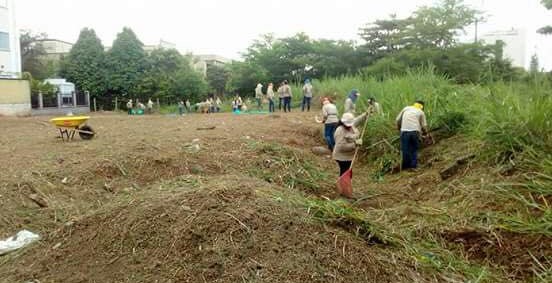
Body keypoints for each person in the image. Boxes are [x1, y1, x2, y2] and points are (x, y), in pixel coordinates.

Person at [333, 111, 368, 178]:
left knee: (349, 172)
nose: (349, 126)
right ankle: (343, 186)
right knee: (345, 172)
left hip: (349, 155)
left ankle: (345, 185)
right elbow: (341, 147)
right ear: (343, 122)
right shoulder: (340, 131)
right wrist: (355, 144)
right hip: (342, 157)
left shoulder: (352, 125)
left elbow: (358, 120)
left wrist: (365, 114)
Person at [396, 101, 429, 170]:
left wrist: (399, 128)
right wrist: (426, 133)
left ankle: (406, 167)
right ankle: (413, 166)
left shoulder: (406, 108)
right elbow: (424, 126)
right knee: (414, 149)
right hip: (415, 132)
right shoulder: (421, 112)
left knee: (405, 149)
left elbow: (397, 120)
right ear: (422, 107)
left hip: (404, 131)